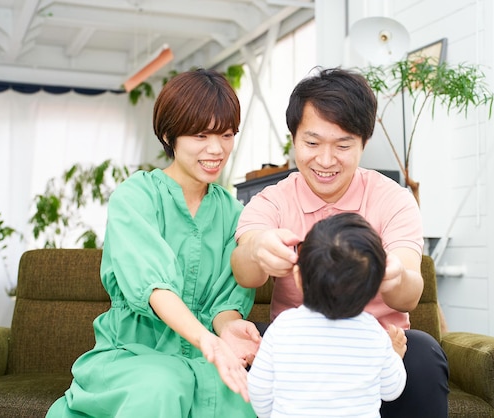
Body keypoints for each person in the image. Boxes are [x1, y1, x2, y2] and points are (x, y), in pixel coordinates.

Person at [231, 67, 449, 417]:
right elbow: (245, 272)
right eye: (312, 143)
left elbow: (409, 292)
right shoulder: (272, 201)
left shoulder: (393, 200)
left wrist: (395, 277)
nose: (326, 160)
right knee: (243, 341)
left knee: (423, 351)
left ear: (363, 142)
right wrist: (258, 251)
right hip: (299, 341)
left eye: (343, 145)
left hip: (378, 340)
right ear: (294, 139)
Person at [47, 69, 260, 418]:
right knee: (162, 386)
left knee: (240, 398)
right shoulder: (136, 196)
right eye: (200, 134)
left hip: (203, 359)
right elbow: (153, 287)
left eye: (226, 134)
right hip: (131, 355)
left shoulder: (234, 212)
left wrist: (228, 328)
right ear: (168, 135)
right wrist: (205, 339)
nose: (216, 149)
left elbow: (225, 301)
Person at [247, 212, 407, 418]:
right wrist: (395, 356)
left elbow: (258, 390)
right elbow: (392, 390)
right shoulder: (373, 332)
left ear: (297, 277)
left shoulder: (282, 327)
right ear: (375, 287)